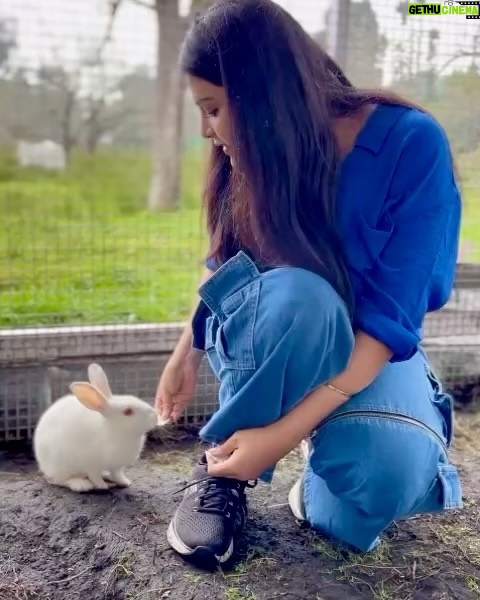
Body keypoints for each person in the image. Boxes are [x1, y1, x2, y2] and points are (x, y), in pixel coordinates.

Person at [154, 0, 463, 571]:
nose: (205, 130)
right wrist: (186, 353)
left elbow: (390, 316)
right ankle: (220, 473)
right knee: (304, 299)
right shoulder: (249, 156)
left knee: (385, 478)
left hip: (368, 349)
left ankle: (328, 467)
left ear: (265, 97)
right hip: (281, 331)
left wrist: (284, 434)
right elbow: (225, 260)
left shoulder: (410, 145)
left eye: (214, 108)